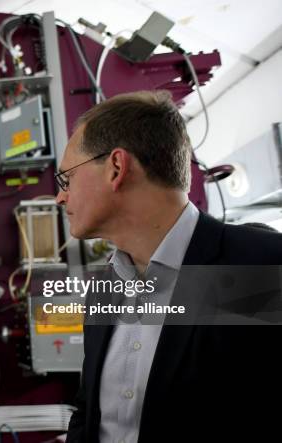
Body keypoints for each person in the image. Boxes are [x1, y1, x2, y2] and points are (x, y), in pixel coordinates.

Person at [55, 90, 282, 443]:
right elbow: (89, 414)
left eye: (66, 178)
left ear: (116, 167)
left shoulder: (261, 267)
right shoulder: (106, 290)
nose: (60, 196)